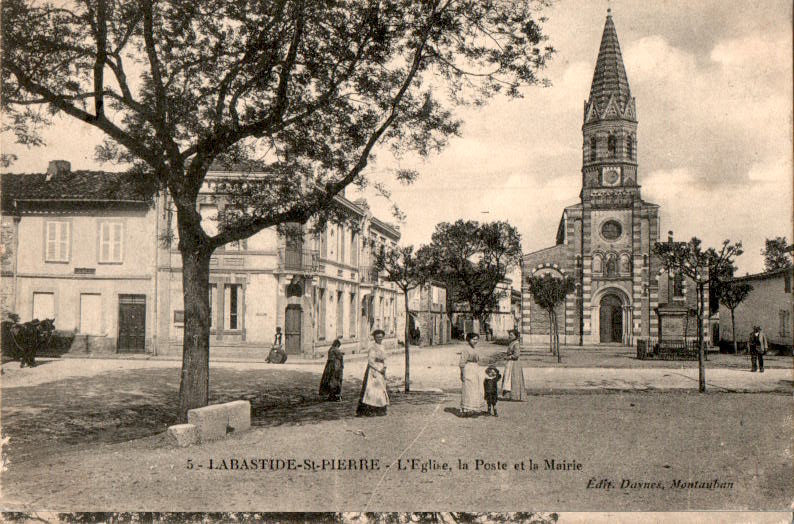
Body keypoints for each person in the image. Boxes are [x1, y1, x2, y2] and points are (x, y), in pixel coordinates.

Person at [356, 329, 389, 416]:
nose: (379, 339)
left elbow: (385, 358)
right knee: (372, 390)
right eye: (378, 337)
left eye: (381, 337)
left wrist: (385, 367)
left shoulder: (383, 346)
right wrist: (379, 369)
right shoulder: (372, 347)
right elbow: (371, 361)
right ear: (374, 338)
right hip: (374, 370)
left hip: (382, 369)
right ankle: (370, 410)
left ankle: (380, 409)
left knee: (381, 389)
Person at [459, 332, 486, 415]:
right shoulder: (466, 349)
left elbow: (478, 359)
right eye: (473, 339)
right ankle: (466, 409)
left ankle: (473, 408)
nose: (475, 341)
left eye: (476, 339)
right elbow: (462, 363)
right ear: (468, 339)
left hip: (475, 369)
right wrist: (462, 374)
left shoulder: (475, 349)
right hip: (468, 369)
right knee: (468, 389)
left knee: (475, 389)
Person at [501, 329, 527, 401]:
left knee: (514, 378)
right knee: (508, 378)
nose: (509, 336)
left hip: (514, 363)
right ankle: (509, 395)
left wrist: (508, 357)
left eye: (511, 335)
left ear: (516, 336)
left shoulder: (516, 344)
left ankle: (516, 396)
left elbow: (516, 355)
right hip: (510, 363)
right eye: (509, 335)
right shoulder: (512, 343)